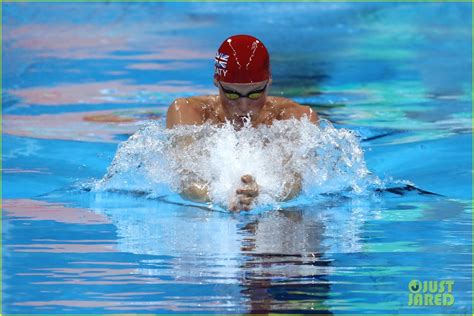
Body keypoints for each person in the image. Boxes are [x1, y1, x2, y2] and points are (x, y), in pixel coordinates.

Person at [166, 34, 318, 211]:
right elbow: (186, 182)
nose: (244, 106)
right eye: (232, 94)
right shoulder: (188, 112)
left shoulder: (296, 116)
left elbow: (294, 182)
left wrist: (264, 192)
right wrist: (225, 195)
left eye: (255, 94)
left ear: (269, 82)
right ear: (217, 82)